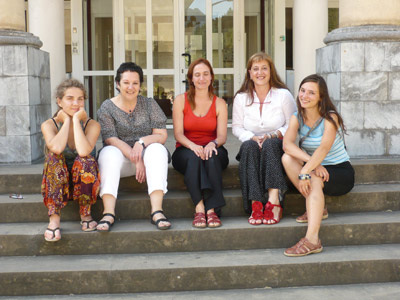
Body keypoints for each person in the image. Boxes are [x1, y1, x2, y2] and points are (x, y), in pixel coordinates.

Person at [282, 74, 355, 257]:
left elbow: (323, 148)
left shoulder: (331, 118)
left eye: (311, 93)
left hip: (339, 170)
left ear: (321, 97)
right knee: (286, 158)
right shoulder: (296, 117)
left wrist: (307, 170)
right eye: (302, 90)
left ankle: (312, 240)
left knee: (312, 178)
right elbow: (287, 145)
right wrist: (311, 165)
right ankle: (317, 208)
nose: (304, 96)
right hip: (315, 166)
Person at [97, 62, 170, 231]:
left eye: (135, 83)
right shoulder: (107, 107)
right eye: (126, 82)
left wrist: (141, 142)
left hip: (149, 160)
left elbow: (162, 135)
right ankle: (108, 212)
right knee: (109, 153)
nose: (131, 87)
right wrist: (136, 158)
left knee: (157, 149)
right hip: (120, 162)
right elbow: (110, 138)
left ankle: (157, 211)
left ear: (140, 85)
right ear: (117, 84)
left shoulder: (150, 104)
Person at [232, 52, 296, 226]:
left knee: (270, 144)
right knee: (248, 147)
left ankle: (274, 200)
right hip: (252, 143)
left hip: (277, 143)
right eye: (255, 69)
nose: (260, 73)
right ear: (249, 73)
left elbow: (292, 124)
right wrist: (252, 137)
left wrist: (273, 134)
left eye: (264, 68)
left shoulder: (283, 95)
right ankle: (256, 203)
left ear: (271, 71)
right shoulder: (241, 98)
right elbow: (237, 127)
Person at [41, 79, 101, 242]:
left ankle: (85, 213)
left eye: (80, 98)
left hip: (84, 181)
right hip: (57, 181)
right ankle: (54, 219)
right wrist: (66, 121)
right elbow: (57, 148)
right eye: (70, 98)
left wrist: (75, 120)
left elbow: (83, 151)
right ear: (59, 101)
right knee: (54, 158)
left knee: (86, 160)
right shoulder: (49, 125)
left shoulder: (92, 124)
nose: (76, 103)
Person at [172, 58, 229, 228]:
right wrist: (193, 146)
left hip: (213, 147)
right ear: (191, 78)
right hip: (186, 149)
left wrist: (213, 144)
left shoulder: (219, 103)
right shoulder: (180, 100)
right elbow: (178, 134)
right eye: (197, 75)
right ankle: (199, 207)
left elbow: (222, 136)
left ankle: (211, 210)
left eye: (205, 74)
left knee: (211, 157)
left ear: (211, 77)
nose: (201, 78)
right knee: (194, 159)